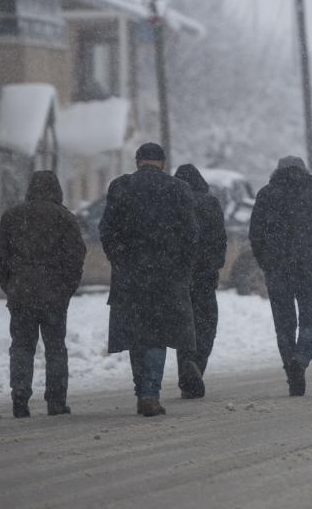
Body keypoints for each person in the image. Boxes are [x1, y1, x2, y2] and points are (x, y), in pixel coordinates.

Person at [100, 143, 200, 417]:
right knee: (158, 335)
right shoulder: (179, 189)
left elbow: (106, 231)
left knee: (136, 335)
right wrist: (181, 267)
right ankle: (149, 393)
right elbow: (191, 235)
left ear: (138, 161)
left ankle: (141, 390)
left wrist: (120, 260)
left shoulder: (120, 187)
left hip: (130, 275)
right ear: (163, 162)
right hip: (167, 277)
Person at [0, 170, 87, 419]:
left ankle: (20, 397)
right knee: (56, 348)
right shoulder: (65, 218)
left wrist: (11, 283)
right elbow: (76, 257)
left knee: (22, 347)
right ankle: (56, 401)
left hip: (21, 293)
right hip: (54, 295)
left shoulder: (12, 216)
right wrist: (66, 288)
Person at [248, 156, 312, 396]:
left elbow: (255, 233)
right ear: (304, 170)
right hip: (310, 269)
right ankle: (301, 358)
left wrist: (266, 262)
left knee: (284, 326)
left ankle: (291, 368)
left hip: (278, 270)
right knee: (311, 321)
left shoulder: (266, 195)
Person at [172, 164, 228, 399]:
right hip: (204, 276)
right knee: (206, 326)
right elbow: (220, 239)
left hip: (179, 277)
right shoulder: (210, 203)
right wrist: (214, 264)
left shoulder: (172, 204)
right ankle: (196, 365)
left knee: (184, 326)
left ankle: (187, 367)